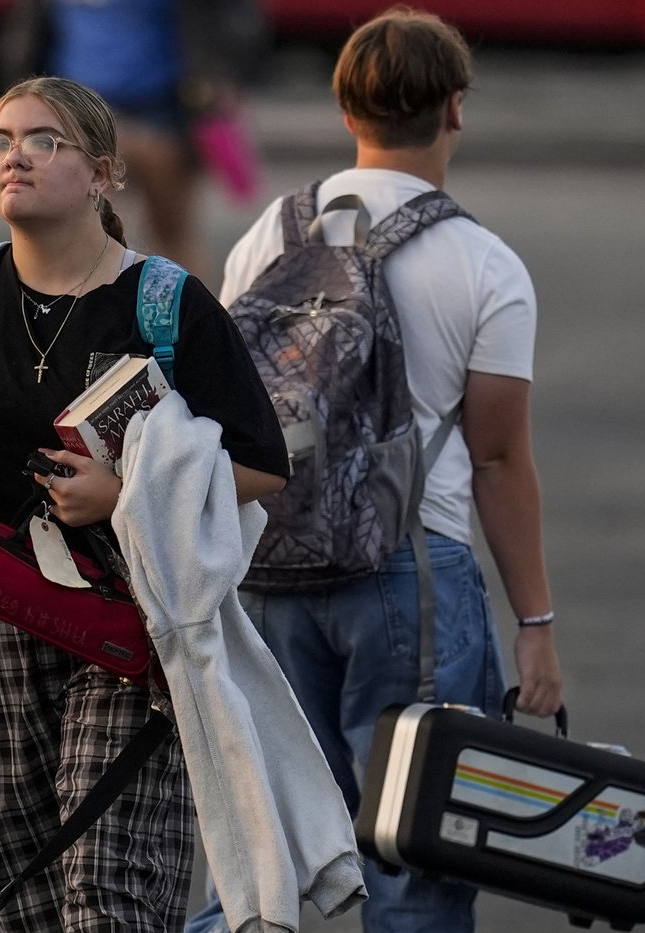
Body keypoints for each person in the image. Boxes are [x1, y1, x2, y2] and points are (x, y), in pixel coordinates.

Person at [0, 75, 288, 932]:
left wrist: (126, 493)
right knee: (24, 887)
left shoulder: (165, 302)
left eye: (42, 141)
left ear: (103, 173)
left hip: (130, 621)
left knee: (111, 889)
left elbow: (263, 466)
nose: (13, 158)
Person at [186, 9, 565, 933]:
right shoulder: (485, 265)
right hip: (409, 577)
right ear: (456, 110)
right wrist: (537, 624)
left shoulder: (263, 239)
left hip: (272, 571)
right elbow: (499, 459)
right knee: (413, 857)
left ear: (346, 103)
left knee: (263, 849)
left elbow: (232, 411)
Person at [0, 0, 267, 279]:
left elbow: (232, 22)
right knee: (79, 234)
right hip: (75, 114)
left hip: (161, 112)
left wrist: (215, 84)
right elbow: (27, 32)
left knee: (170, 231)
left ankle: (186, 317)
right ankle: (87, 317)